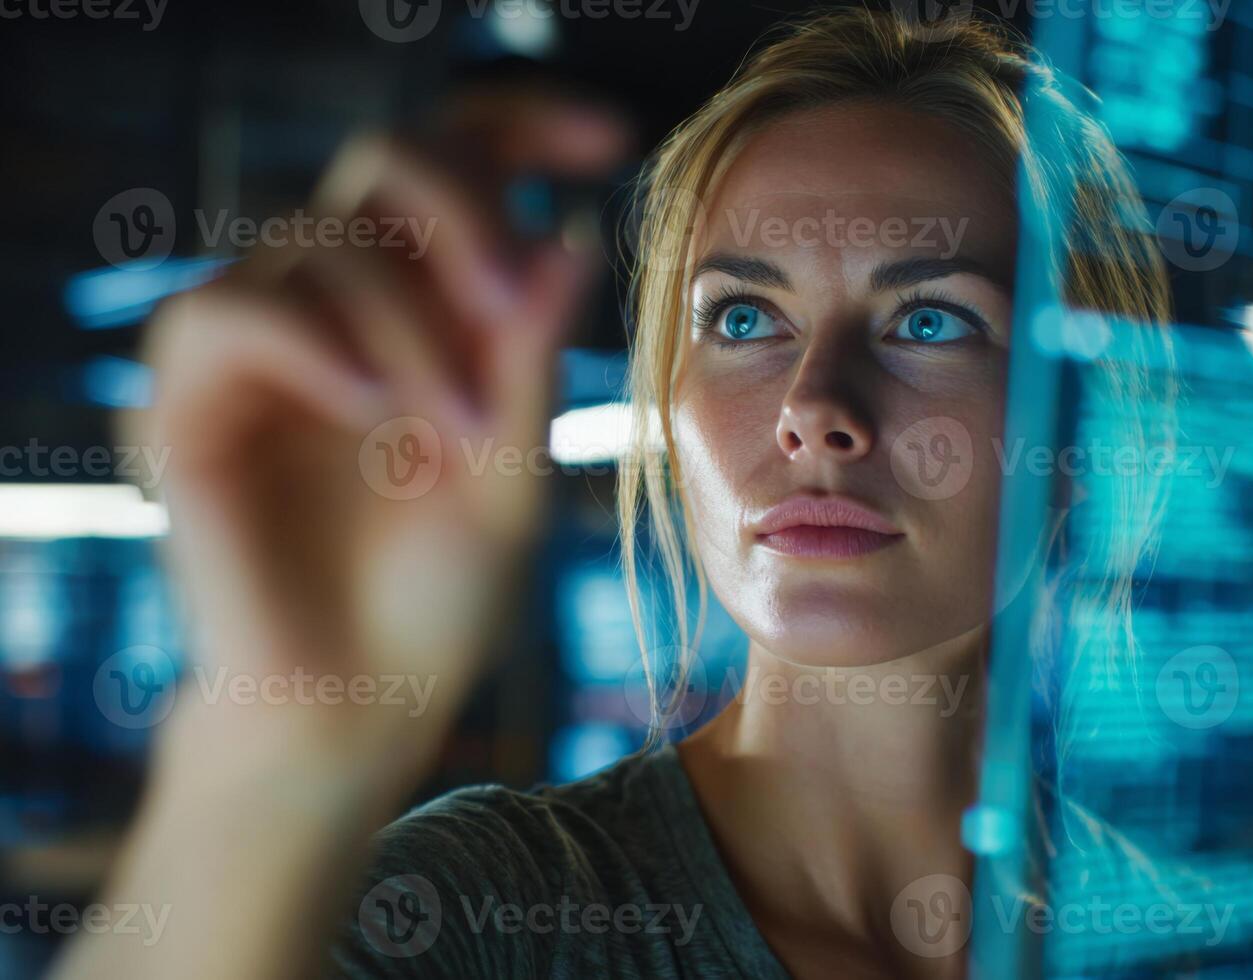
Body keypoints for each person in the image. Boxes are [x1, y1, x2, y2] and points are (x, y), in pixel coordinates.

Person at [53, 7, 1172, 979]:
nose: (814, 404)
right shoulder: (486, 911)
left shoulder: (1187, 934)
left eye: (930, 320)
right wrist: (276, 754)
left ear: (1083, 436)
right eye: (744, 318)